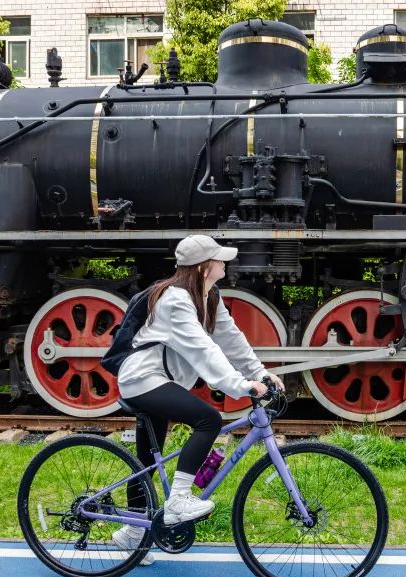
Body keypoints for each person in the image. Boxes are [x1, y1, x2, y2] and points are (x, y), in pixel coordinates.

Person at [111, 235, 284, 560]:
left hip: (161, 380)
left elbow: (231, 340)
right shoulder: (176, 301)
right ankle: (178, 500)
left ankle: (132, 534)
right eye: (219, 259)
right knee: (209, 419)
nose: (225, 263)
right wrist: (240, 385)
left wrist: (260, 373)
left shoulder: (208, 295)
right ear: (205, 267)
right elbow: (204, 350)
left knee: (147, 461)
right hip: (142, 379)